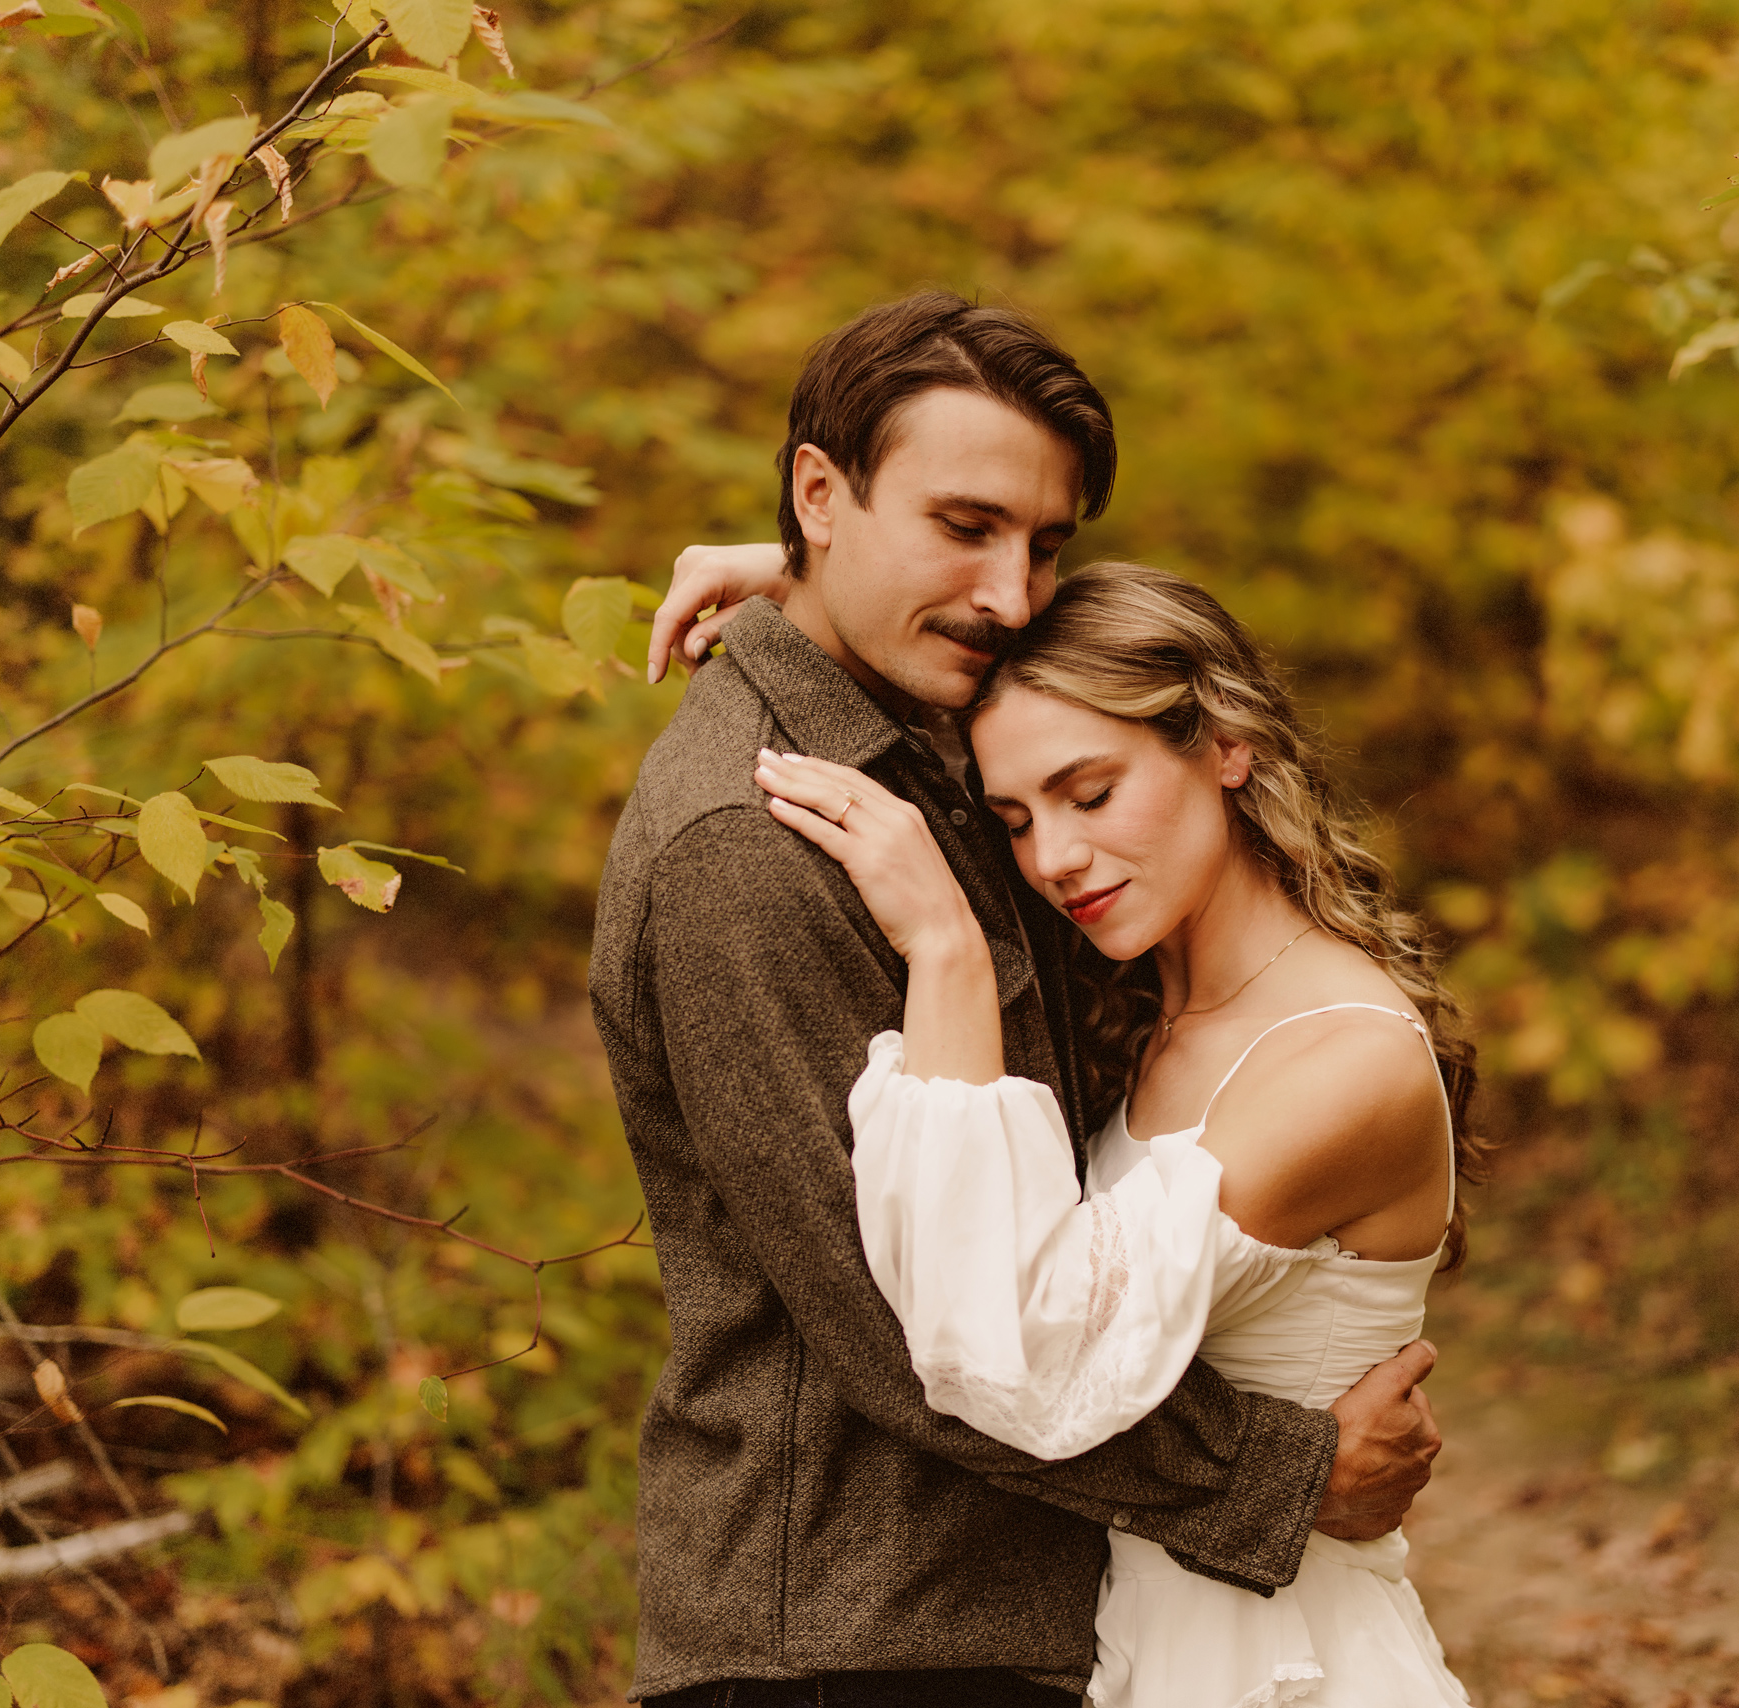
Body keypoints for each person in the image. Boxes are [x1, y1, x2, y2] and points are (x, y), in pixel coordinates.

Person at [589, 289, 1442, 1708]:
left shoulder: (927, 739)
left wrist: (812, 579)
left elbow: (1090, 695)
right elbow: (911, 1335)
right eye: (966, 525)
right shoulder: (752, 849)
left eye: (1044, 544)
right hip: (853, 1644)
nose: (1010, 594)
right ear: (822, 490)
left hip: (1005, 1626)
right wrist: (1283, 1476)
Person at [751, 561, 1479, 1707]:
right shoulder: (1146, 1003)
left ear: (1224, 743)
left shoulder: (1345, 1059)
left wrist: (945, 944)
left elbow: (1023, 1348)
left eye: (1089, 794)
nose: (1052, 860)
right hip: (1144, 1637)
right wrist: (790, 577)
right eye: (1016, 820)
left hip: (1280, 1664)